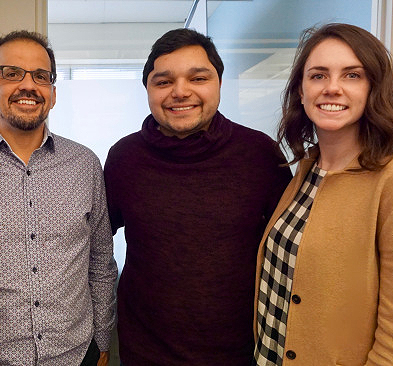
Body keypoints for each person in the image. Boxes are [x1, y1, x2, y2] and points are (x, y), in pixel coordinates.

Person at [104, 28, 292, 365]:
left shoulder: (261, 155)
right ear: (147, 89)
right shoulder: (124, 158)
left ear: (219, 82)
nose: (180, 92)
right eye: (163, 82)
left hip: (242, 353)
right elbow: (92, 244)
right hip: (144, 352)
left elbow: (291, 254)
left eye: (197, 78)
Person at [253, 23, 393, 365]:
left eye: (352, 75)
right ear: (300, 91)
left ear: (374, 89)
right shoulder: (305, 170)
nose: (332, 88)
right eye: (318, 75)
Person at [0, 30, 117, 366]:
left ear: (52, 94)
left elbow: (101, 260)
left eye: (41, 76)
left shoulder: (84, 164)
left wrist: (101, 341)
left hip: (76, 355)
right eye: (11, 74)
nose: (28, 85)